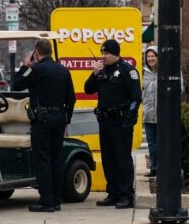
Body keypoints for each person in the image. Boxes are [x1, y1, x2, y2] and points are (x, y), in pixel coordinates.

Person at [13, 39, 76, 213]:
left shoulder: (35, 70)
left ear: (37, 53)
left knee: (43, 160)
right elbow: (71, 99)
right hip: (59, 118)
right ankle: (56, 200)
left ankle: (46, 201)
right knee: (56, 160)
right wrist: (67, 120)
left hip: (42, 120)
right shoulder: (63, 70)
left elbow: (17, 85)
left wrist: (25, 66)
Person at [84, 39, 142, 209]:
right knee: (108, 158)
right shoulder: (102, 71)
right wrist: (94, 74)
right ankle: (113, 192)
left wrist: (129, 120)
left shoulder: (127, 70)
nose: (103, 56)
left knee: (122, 159)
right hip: (105, 121)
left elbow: (136, 97)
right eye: (102, 53)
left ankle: (126, 195)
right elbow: (88, 89)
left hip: (121, 121)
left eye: (106, 53)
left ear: (115, 53)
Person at [141, 46, 158, 177]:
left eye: (153, 56)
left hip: (162, 115)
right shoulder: (143, 73)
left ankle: (163, 167)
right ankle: (154, 168)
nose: (150, 59)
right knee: (151, 144)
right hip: (148, 114)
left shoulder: (164, 72)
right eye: (148, 56)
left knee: (162, 143)